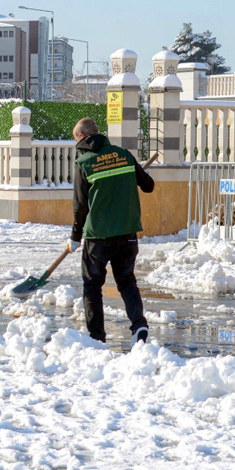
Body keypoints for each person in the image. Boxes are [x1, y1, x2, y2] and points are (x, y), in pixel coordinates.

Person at [69, 118, 155, 345]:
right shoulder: (123, 155)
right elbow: (148, 185)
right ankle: (139, 325)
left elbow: (80, 206)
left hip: (97, 236)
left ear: (81, 137)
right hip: (127, 234)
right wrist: (132, 173)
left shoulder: (84, 162)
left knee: (92, 286)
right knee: (126, 282)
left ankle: (97, 338)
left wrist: (75, 237)